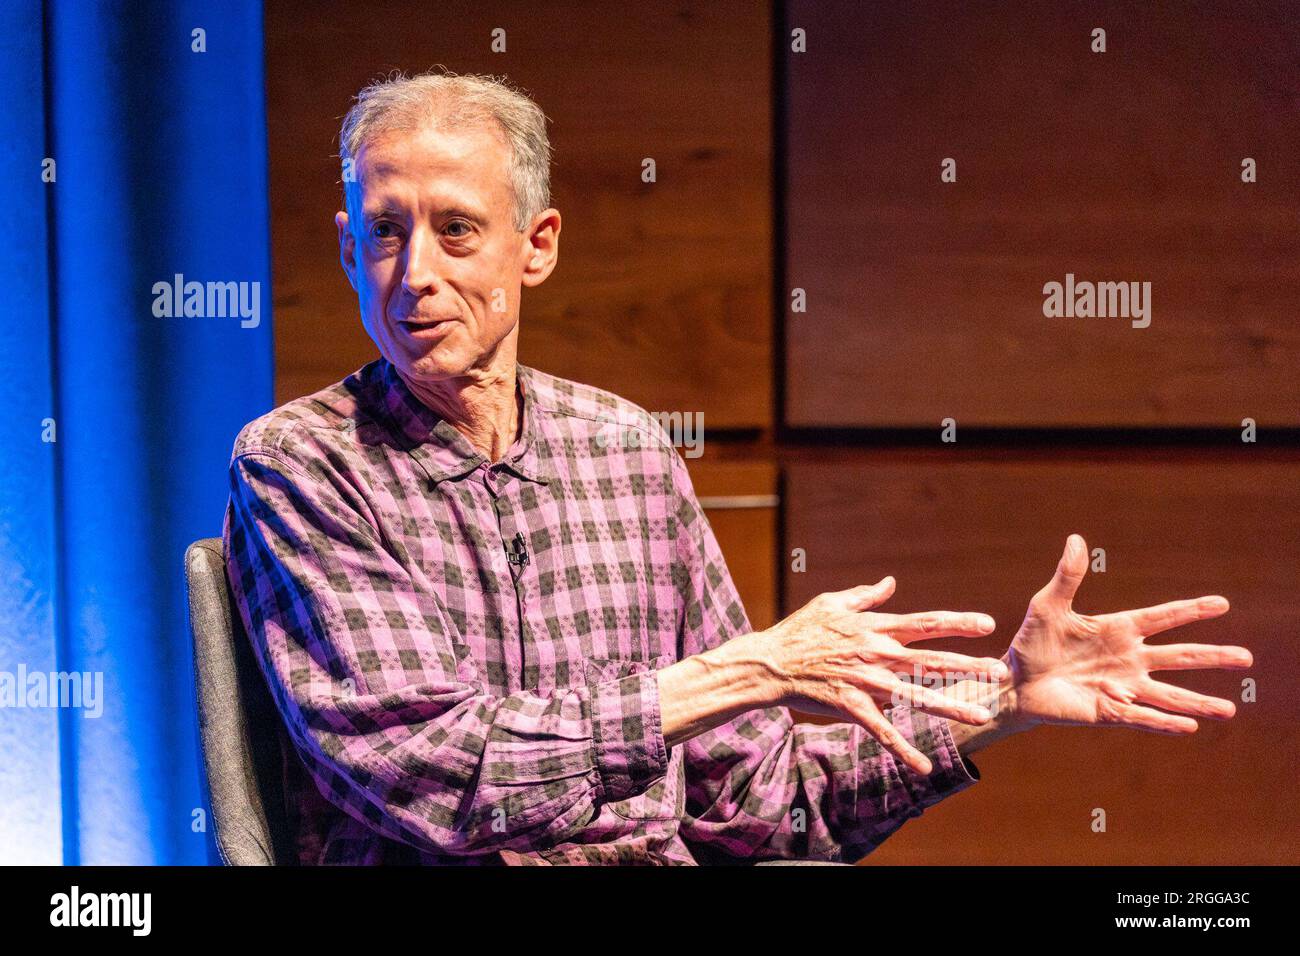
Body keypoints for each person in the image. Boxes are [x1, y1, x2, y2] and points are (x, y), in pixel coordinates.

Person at [223, 70, 1251, 865]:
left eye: (455, 231)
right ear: (349, 251)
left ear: (534, 246)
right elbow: (434, 775)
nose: (417, 275)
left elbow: (755, 803)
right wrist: (744, 669)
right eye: (385, 233)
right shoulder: (303, 466)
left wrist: (1001, 698)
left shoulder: (624, 449)